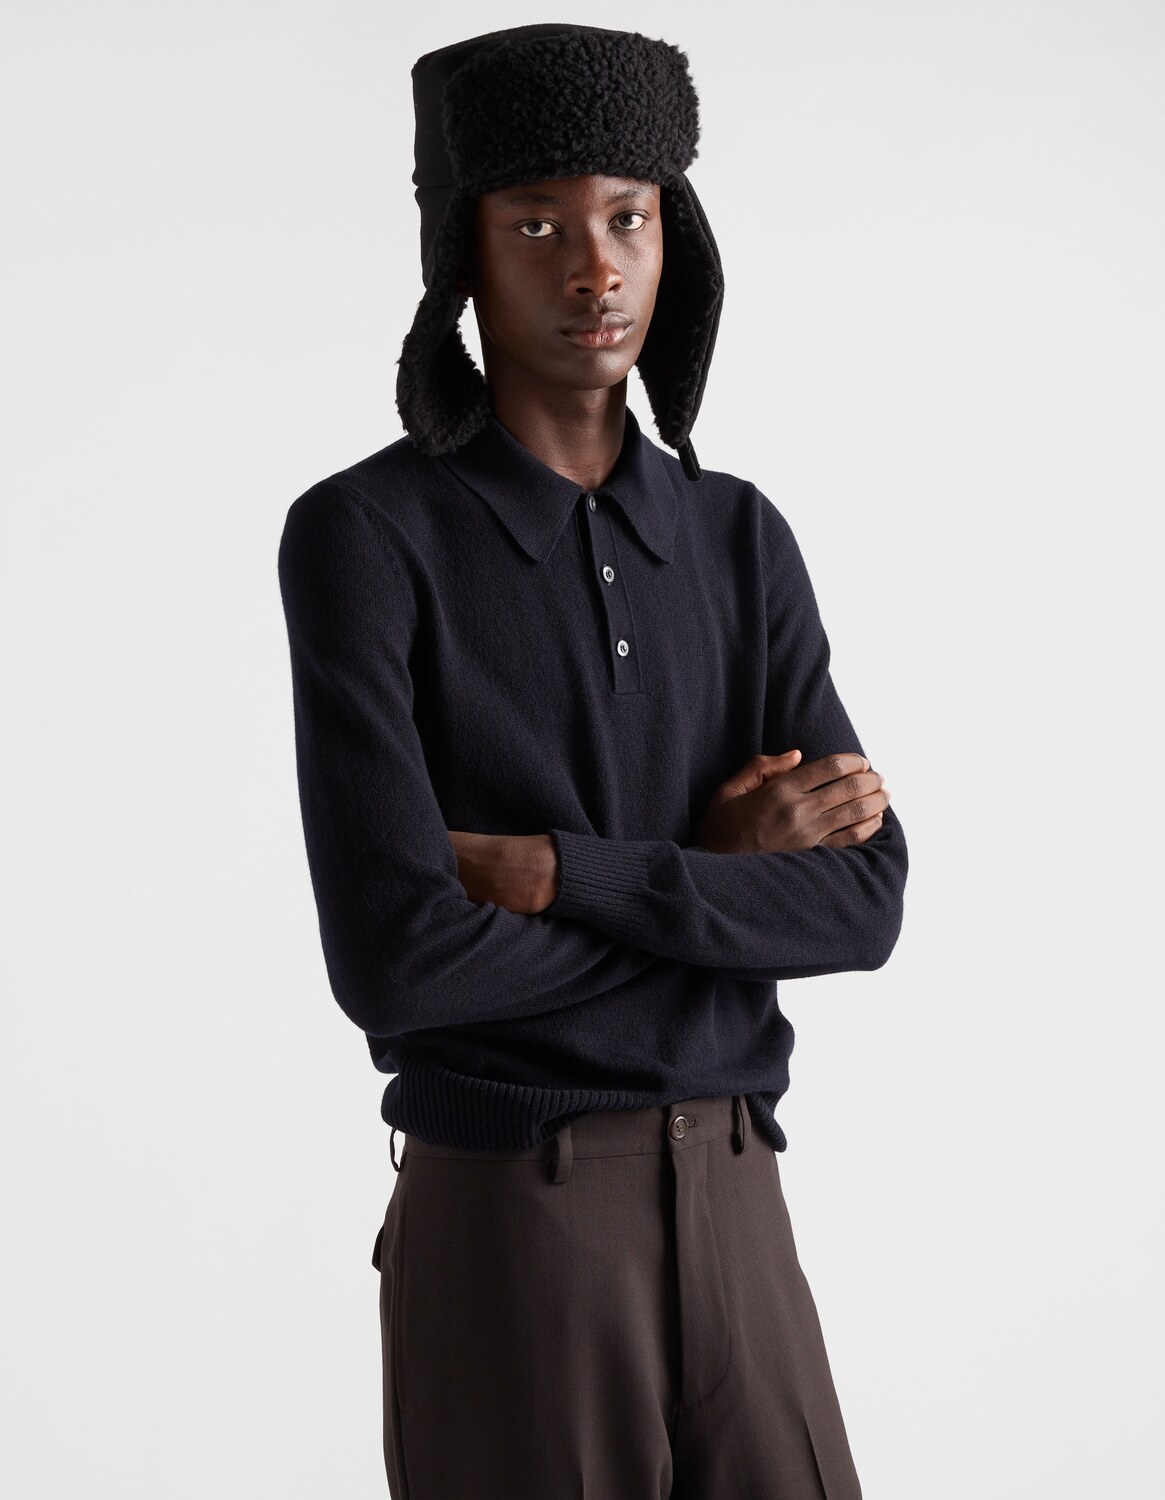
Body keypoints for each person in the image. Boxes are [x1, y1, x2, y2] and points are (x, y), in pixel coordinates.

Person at [276, 22, 908, 1500]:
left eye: (628, 217)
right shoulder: (365, 538)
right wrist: (720, 892)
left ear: (675, 236)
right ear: (462, 250)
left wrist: (573, 876)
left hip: (742, 1197)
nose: (594, 269)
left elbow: (865, 904)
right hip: (518, 1218)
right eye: (537, 224)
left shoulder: (740, 537)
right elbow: (398, 962)